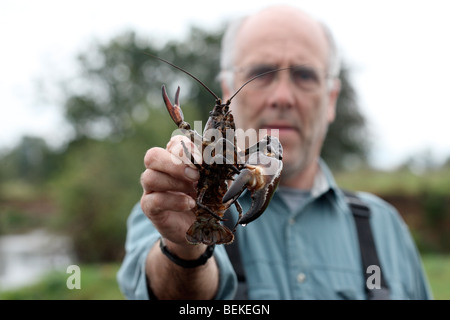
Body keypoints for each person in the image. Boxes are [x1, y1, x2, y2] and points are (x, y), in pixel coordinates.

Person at [117, 5, 432, 300]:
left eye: (304, 75)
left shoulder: (386, 227)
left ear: (332, 98)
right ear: (228, 90)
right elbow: (170, 289)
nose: (282, 97)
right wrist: (183, 248)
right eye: (263, 73)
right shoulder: (170, 201)